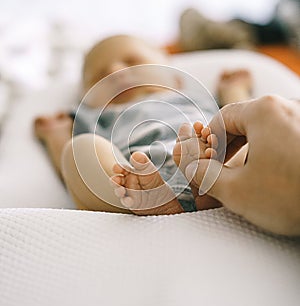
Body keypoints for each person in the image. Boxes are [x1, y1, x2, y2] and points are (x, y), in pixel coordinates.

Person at [34, 35, 252, 216]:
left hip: (212, 160)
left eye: (132, 61)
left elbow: (238, 112)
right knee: (79, 150)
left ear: (174, 78)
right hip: (138, 180)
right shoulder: (97, 116)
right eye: (99, 77)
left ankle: (208, 188)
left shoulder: (192, 96)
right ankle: (151, 203)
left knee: (242, 137)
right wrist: (57, 134)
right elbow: (69, 171)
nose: (116, 72)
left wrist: (233, 89)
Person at [173, 95, 300, 236]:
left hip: (202, 121)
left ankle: (182, 201)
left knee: (244, 141)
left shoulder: (199, 99)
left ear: (177, 81)